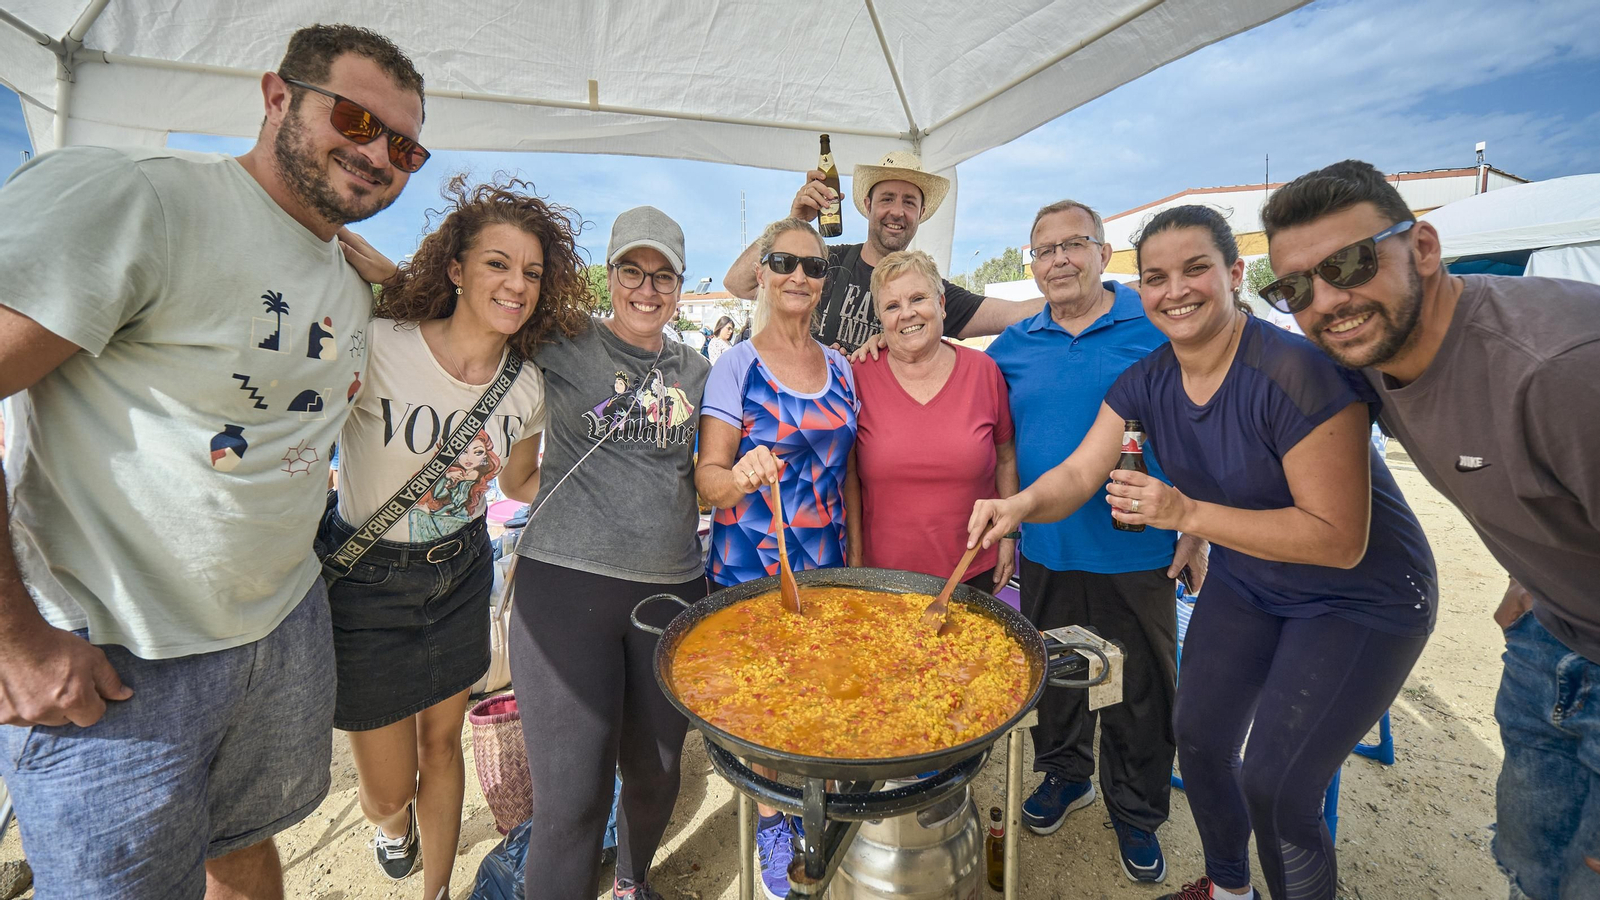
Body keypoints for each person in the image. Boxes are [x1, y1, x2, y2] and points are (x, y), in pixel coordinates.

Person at [0, 24, 425, 900]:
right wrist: (13, 642)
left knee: (244, 844)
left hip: (280, 624)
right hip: (120, 651)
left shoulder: (351, 276)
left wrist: (405, 284)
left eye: (404, 147)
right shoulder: (143, 200)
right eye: (355, 119)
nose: (377, 153)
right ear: (277, 97)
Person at [975, 203, 1437, 900]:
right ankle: (1228, 888)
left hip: (1357, 595)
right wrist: (1018, 508)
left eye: (1195, 269)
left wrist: (1187, 516)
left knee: (1276, 782)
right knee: (1198, 737)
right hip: (1251, 579)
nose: (1175, 291)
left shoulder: (1298, 370)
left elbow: (1339, 540)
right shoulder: (1147, 377)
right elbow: (1079, 473)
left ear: (1235, 273)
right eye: (1157, 277)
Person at [1261, 159, 1600, 900]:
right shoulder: (1366, 356)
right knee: (1532, 864)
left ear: (1422, 247)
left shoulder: (1560, 369)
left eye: (1349, 264)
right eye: (1296, 288)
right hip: (1550, 635)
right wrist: (1531, 577)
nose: (1327, 301)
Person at [324, 176, 593, 899]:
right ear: (455, 268)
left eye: (532, 271)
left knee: (442, 747)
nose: (517, 284)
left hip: (461, 573)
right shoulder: (379, 344)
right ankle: (394, 827)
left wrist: (615, 493)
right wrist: (391, 282)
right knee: (386, 791)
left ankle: (436, 891)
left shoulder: (528, 385)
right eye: (497, 264)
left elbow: (520, 480)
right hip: (368, 581)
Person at [984, 199, 1207, 884]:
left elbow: (1203, 423)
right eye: (1044, 249)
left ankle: (1137, 811)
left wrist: (1199, 529)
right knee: (1057, 678)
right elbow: (998, 438)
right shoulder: (1012, 345)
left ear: (1103, 254)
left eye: (1073, 244)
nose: (1059, 259)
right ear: (1033, 264)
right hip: (1047, 548)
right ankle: (1064, 774)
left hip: (1139, 548)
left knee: (1142, 689)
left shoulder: (1155, 323)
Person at [509, 206, 711, 900]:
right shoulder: (565, 341)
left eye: (663, 276)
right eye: (632, 271)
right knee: (574, 799)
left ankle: (630, 882)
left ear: (680, 286)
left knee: (658, 772)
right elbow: (480, 315)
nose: (647, 290)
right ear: (610, 274)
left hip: (672, 590)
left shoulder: (699, 371)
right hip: (565, 590)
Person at [695, 217, 859, 898]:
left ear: (825, 282)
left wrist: (859, 566)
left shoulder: (843, 366)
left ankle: (818, 807)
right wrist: (739, 475)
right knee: (758, 704)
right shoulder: (736, 366)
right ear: (760, 273)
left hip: (826, 566)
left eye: (813, 266)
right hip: (748, 568)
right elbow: (707, 479)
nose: (798, 276)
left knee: (821, 693)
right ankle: (770, 820)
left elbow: (850, 476)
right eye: (784, 262)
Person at [723, 151, 1044, 353]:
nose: (897, 211)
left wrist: (1077, 296)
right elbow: (738, 283)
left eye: (909, 202)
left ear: (921, 214)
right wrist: (794, 221)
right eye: (887, 198)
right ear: (868, 205)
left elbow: (1013, 314)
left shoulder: (929, 292)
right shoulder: (824, 264)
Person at [844, 249, 1017, 590]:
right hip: (883, 578)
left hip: (972, 570)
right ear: (880, 318)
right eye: (891, 306)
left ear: (941, 304)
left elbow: (1006, 459)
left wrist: (1009, 537)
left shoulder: (983, 372)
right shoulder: (857, 376)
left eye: (918, 298)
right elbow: (849, 475)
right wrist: (856, 557)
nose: (906, 313)